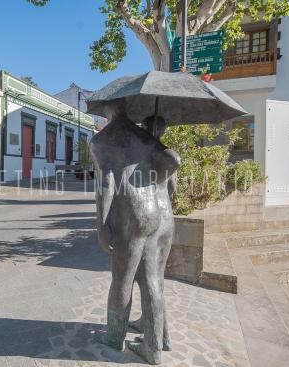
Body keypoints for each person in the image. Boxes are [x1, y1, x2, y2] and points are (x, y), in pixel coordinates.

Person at [90, 101, 180, 365]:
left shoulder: (102, 139)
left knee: (122, 278)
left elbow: (105, 183)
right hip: (155, 213)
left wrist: (101, 227)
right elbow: (173, 161)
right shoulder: (142, 135)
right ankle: (156, 342)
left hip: (131, 215)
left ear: (108, 110)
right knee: (151, 278)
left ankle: (114, 338)